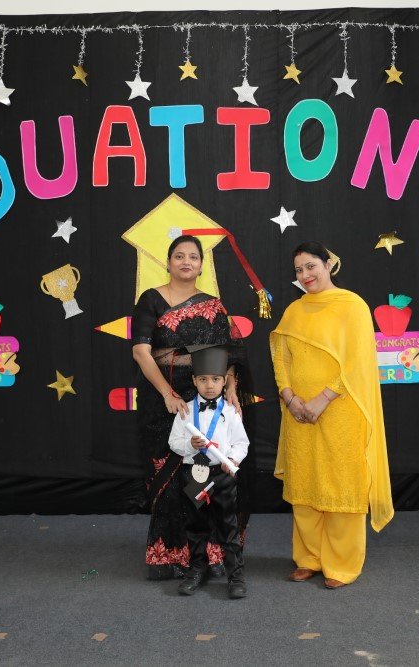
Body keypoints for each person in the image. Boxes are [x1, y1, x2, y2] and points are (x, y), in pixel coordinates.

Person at [270, 241, 393, 589]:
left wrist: (322, 399)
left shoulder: (352, 306)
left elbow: (357, 362)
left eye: (311, 266)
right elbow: (281, 356)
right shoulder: (294, 311)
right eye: (299, 270)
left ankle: (341, 564)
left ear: (329, 265)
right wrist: (290, 397)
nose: (305, 275)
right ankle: (308, 558)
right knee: (305, 483)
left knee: (341, 483)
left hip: (341, 410)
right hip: (299, 413)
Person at [132, 235, 252, 581]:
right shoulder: (150, 299)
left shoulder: (213, 306)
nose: (186, 262)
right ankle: (171, 554)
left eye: (193, 257)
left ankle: (212, 554)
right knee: (172, 479)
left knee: (210, 473)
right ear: (168, 262)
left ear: (201, 266)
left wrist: (230, 388)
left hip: (208, 396)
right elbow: (141, 352)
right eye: (179, 256)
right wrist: (168, 394)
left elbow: (229, 352)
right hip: (164, 400)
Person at [168, 344, 249, 598]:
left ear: (224, 381)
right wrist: (189, 445)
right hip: (195, 474)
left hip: (222, 476)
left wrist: (232, 459)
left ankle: (235, 575)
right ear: (194, 380)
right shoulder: (185, 410)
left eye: (215, 379)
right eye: (203, 380)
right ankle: (197, 570)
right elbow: (173, 442)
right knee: (196, 524)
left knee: (228, 525)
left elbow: (242, 443)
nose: (209, 385)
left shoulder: (231, 412)